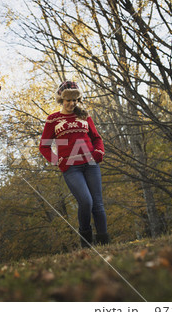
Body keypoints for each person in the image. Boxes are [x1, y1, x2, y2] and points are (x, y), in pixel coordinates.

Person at [39, 80, 109, 248]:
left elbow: (96, 138)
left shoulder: (84, 116)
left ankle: (105, 244)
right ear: (61, 100)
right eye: (68, 100)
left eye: (74, 100)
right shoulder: (53, 120)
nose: (71, 103)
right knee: (86, 202)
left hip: (91, 164)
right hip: (71, 168)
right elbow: (44, 146)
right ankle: (86, 242)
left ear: (78, 100)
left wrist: (98, 152)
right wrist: (58, 161)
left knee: (98, 204)